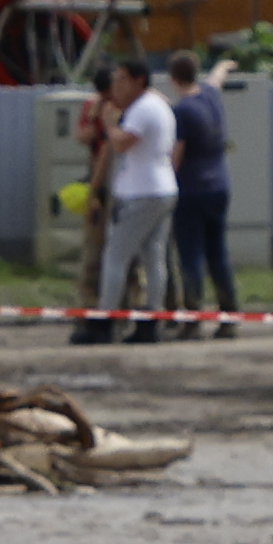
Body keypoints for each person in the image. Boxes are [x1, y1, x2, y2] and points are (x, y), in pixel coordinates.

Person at [80, 55, 181, 341]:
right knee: (153, 255)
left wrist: (110, 124)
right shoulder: (157, 105)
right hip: (161, 188)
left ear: (138, 80)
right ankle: (151, 320)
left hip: (141, 193)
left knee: (115, 256)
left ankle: (104, 322)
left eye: (121, 79)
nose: (116, 85)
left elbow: (123, 144)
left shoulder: (142, 109)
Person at [161, 50, 236, 336]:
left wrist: (166, 183)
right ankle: (229, 315)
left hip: (192, 189)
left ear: (172, 78)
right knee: (218, 252)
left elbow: (176, 156)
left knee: (190, 254)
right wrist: (224, 65)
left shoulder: (183, 111)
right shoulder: (210, 96)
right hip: (219, 186)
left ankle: (193, 318)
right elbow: (216, 80)